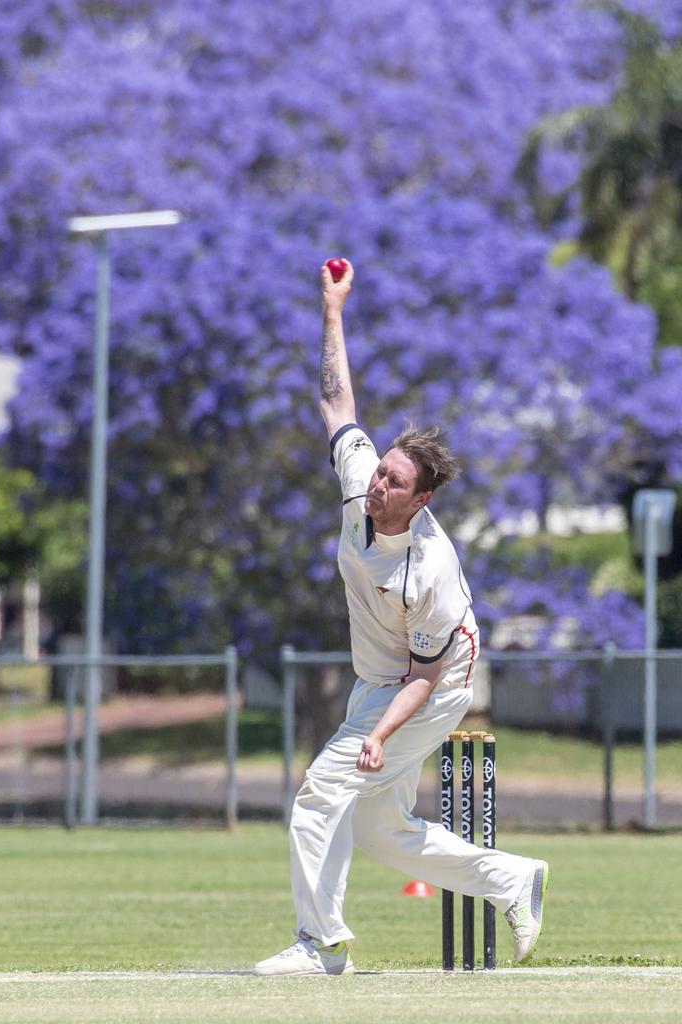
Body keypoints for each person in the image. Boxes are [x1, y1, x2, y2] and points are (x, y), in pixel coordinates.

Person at [254, 259, 549, 977]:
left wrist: (379, 735)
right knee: (380, 831)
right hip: (380, 676)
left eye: (394, 482)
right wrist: (332, 309)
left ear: (420, 501)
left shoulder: (430, 567)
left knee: (322, 791)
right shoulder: (361, 485)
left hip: (434, 682)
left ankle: (321, 943)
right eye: (381, 471)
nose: (378, 483)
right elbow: (336, 403)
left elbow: (427, 673)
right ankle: (514, 880)